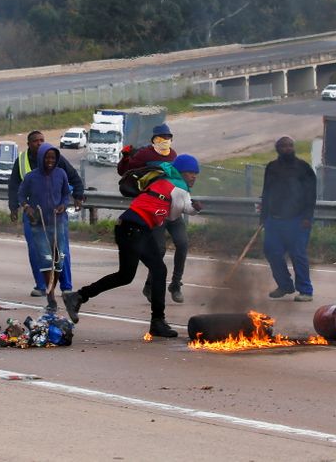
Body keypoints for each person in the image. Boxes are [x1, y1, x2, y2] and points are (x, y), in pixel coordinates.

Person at [63, 154, 203, 337]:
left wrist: (192, 207)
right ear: (181, 172)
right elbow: (173, 215)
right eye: (190, 172)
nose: (194, 176)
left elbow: (174, 206)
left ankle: (79, 296)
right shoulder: (179, 187)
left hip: (129, 226)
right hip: (135, 229)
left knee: (133, 274)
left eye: (196, 173)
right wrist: (194, 208)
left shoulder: (163, 180)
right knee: (148, 272)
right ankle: (157, 322)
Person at [118, 123, 188, 304]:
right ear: (153, 139)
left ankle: (175, 284)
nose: (164, 140)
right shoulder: (145, 154)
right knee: (160, 249)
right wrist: (125, 157)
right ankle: (149, 285)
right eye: (161, 137)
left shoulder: (173, 155)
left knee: (182, 243)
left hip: (173, 206)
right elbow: (125, 172)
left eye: (168, 137)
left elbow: (178, 178)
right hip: (156, 209)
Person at [8, 130, 84, 297]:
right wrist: (14, 207)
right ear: (28, 144)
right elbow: (14, 187)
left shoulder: (55, 158)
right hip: (33, 216)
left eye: (42, 140)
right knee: (36, 250)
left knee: (61, 251)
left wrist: (78, 195)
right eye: (36, 141)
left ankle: (66, 287)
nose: (40, 143)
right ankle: (41, 286)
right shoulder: (21, 162)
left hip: (57, 216)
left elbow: (73, 178)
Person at [260, 136, 317, 302]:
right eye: (283, 146)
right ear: (277, 148)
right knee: (272, 252)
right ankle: (285, 285)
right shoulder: (271, 167)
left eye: (290, 145)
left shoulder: (303, 168)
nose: (287, 148)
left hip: (298, 220)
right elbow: (266, 193)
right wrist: (263, 217)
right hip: (274, 219)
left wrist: (307, 217)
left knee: (298, 254)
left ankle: (306, 290)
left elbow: (311, 195)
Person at [17, 143, 70, 313]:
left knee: (59, 260)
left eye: (53, 158)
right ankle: (51, 296)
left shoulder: (61, 173)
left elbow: (66, 194)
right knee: (47, 262)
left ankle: (52, 288)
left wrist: (63, 205)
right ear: (41, 158)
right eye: (47, 157)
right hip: (38, 224)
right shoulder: (31, 177)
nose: (50, 161)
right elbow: (20, 194)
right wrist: (27, 207)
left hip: (57, 222)